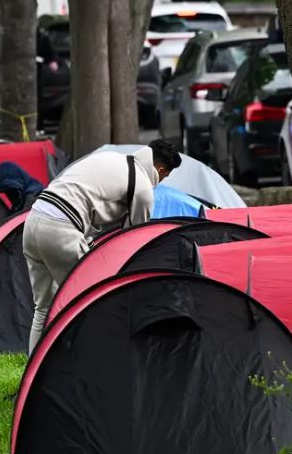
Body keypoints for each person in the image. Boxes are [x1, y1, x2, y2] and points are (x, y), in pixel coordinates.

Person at [23, 140, 182, 353]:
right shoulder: (143, 188)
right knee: (90, 304)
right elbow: (134, 239)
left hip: (33, 220)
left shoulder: (112, 159)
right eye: (164, 177)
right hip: (60, 230)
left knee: (43, 308)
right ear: (161, 170)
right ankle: (78, 369)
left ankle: (31, 379)